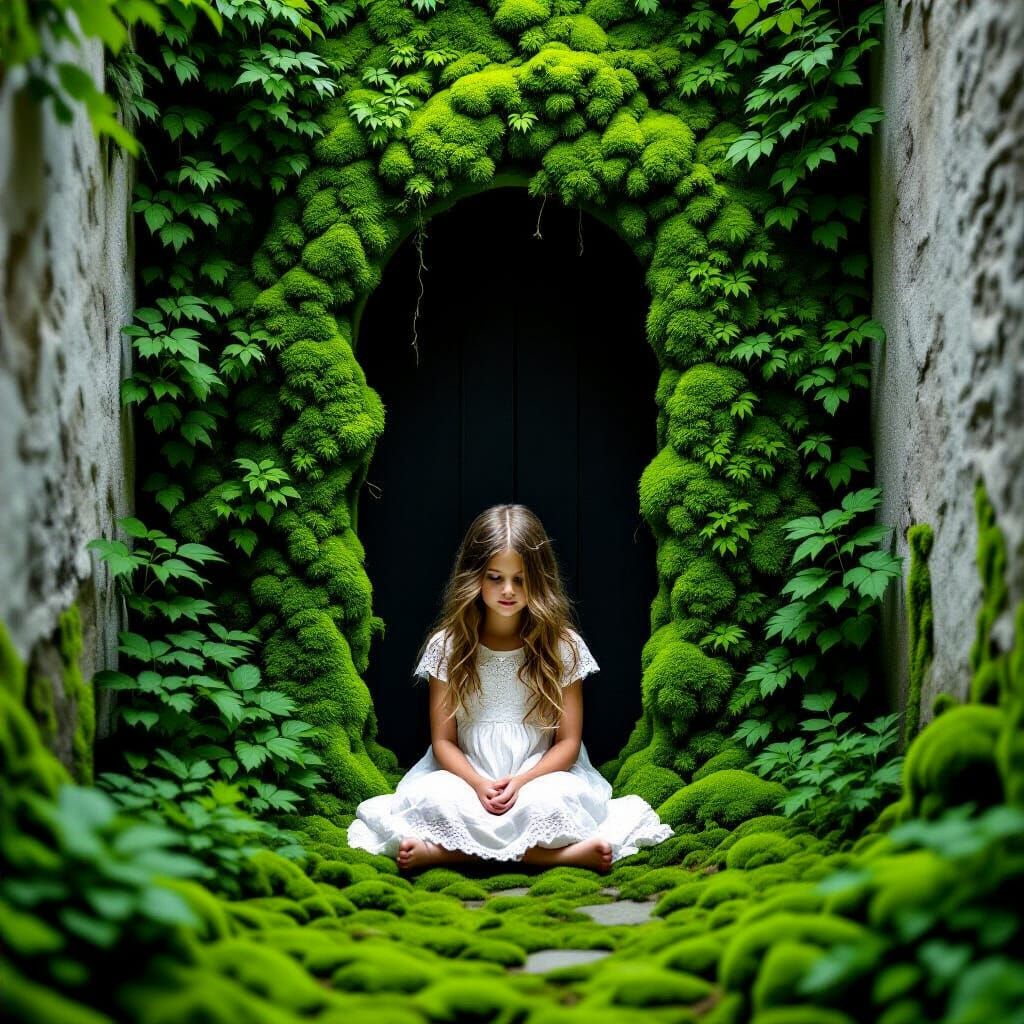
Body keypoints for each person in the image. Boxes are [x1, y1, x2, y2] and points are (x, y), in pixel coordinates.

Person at [346, 503, 673, 873]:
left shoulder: (562, 645)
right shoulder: (448, 646)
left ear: (540, 579)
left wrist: (522, 781)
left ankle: (446, 853)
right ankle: (557, 856)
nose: (508, 590)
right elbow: (443, 742)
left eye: (520, 579)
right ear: (474, 577)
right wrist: (478, 784)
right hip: (466, 775)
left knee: (553, 802)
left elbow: (567, 742)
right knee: (434, 798)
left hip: (540, 775)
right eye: (495, 577)